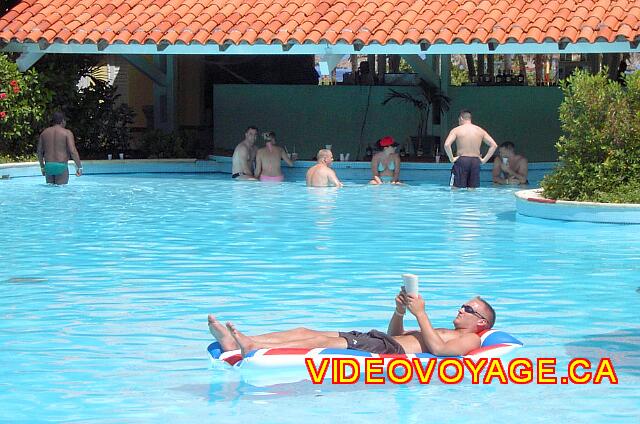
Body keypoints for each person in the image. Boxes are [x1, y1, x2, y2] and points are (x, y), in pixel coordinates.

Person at [208, 292, 495, 357]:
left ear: (480, 322)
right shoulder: (445, 330)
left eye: (467, 309)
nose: (460, 308)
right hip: (383, 338)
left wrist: (421, 313)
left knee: (320, 343)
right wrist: (400, 312)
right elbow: (399, 333)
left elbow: (440, 352)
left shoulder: (473, 340)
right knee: (305, 332)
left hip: (387, 349)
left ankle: (251, 346)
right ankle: (243, 338)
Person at [443, 109, 498, 189]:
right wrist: (484, 160)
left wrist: (451, 158)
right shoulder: (480, 130)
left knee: (455, 189)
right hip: (475, 161)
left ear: (461, 118)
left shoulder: (457, 130)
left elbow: (447, 145)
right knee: (472, 190)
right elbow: (494, 145)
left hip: (462, 160)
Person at [36, 111, 82, 185]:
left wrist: (42, 167)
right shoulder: (67, 133)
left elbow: (39, 152)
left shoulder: (44, 133)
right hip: (61, 165)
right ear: (62, 121)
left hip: (48, 166)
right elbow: (73, 151)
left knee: (50, 192)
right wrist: (79, 167)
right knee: (61, 193)